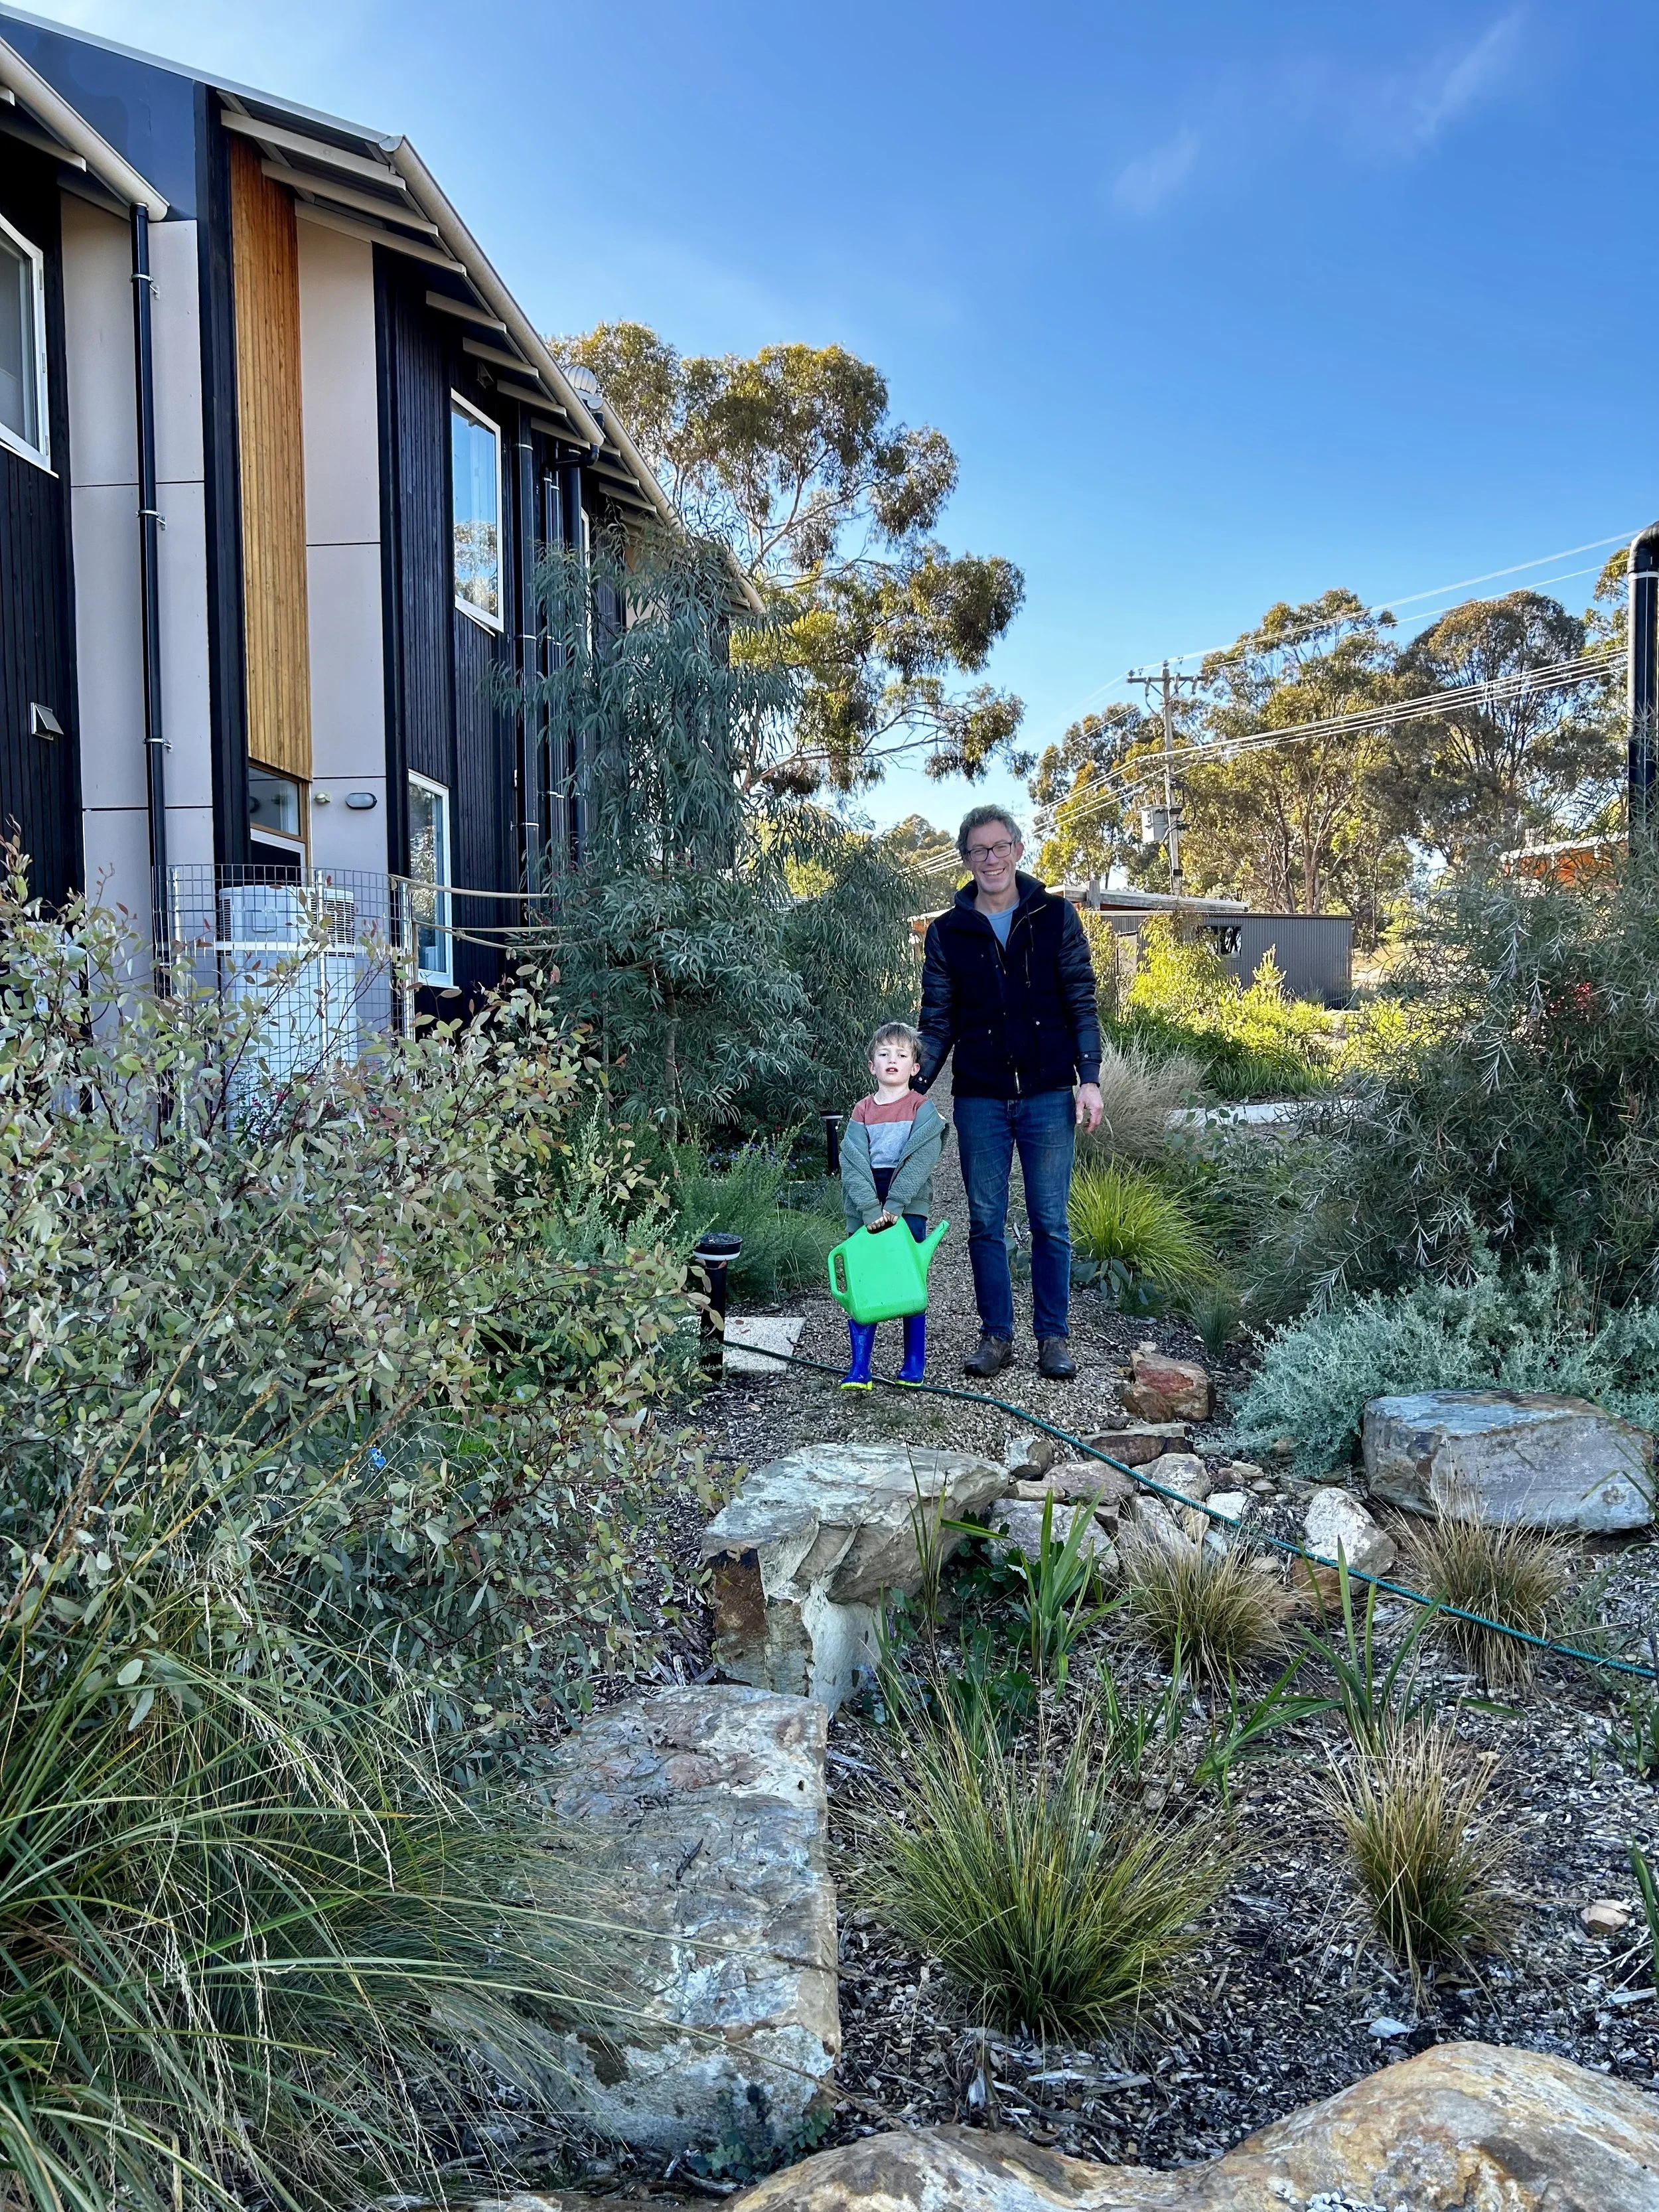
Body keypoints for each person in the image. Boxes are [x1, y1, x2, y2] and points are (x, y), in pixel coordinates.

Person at [916, 806, 1103, 1381]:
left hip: (1049, 1091)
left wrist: (1089, 1077)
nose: (991, 859)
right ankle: (997, 1336)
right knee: (985, 1221)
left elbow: (1080, 998)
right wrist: (914, 1087)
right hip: (980, 1096)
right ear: (967, 860)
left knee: (1050, 1219)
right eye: (979, 851)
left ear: (1019, 849)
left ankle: (1053, 1337)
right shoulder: (948, 932)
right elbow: (938, 1017)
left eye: (1000, 847)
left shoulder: (1055, 915)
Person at [837, 1021, 951, 1391]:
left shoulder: (923, 1109)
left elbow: (921, 1159)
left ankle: (914, 1364)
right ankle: (860, 1368)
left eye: (901, 1055)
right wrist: (870, 1209)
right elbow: (852, 1161)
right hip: (866, 1204)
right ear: (872, 1065)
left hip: (909, 1203)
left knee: (909, 1280)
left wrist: (897, 1203)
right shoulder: (862, 1110)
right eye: (884, 1054)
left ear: (914, 1068)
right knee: (863, 1280)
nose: (892, 1060)